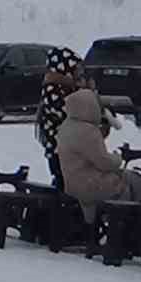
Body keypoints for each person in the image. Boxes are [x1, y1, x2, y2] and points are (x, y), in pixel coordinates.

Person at [56, 87, 141, 222]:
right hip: (93, 185)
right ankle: (139, 220)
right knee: (133, 182)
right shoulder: (88, 131)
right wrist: (118, 158)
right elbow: (104, 163)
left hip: (74, 184)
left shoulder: (67, 127)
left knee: (127, 179)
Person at [36, 47, 85, 189]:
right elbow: (66, 112)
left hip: (70, 149)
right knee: (64, 184)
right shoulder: (52, 89)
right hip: (59, 150)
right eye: (75, 68)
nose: (78, 72)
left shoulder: (67, 87)